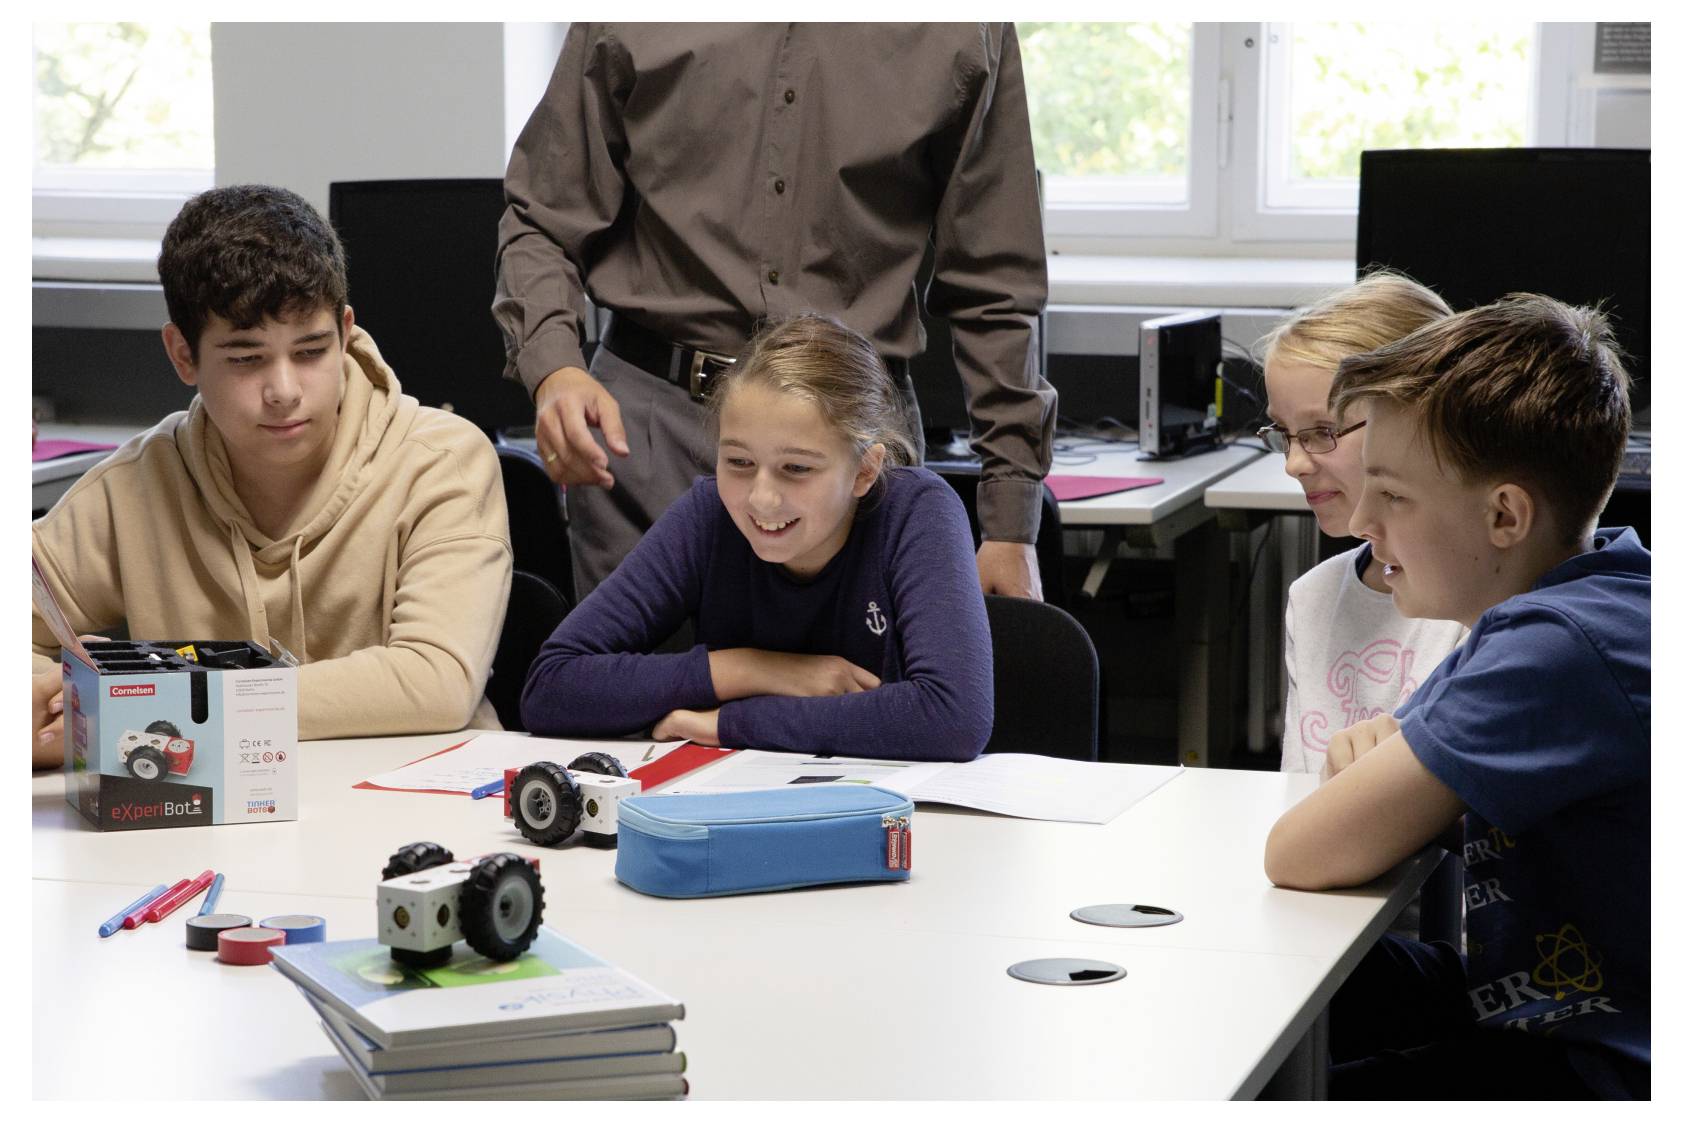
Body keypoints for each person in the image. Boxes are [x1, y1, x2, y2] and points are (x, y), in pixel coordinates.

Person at [495, 23, 1055, 603]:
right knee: (635, 688)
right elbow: (543, 218)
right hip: (648, 439)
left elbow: (995, 281)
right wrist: (556, 368)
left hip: (850, 448)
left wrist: (1011, 518)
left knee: (856, 692)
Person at [1264, 294, 1649, 1099]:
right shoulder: (1584, 590)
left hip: (1600, 1054)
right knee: (1285, 977)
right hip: (1533, 995)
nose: (1366, 519)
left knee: (1273, 1076)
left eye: (1393, 495)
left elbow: (1301, 850)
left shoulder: (1556, 650)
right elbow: (1356, 775)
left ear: (1503, 514)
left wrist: (1384, 783)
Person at [30, 185, 513, 762]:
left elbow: (435, 681)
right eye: (246, 358)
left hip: (417, 814)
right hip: (209, 832)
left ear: (346, 331)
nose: (284, 391)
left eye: (311, 352)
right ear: (182, 354)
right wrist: (51, 698)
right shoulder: (135, 484)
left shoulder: (442, 461)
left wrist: (140, 704)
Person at [520, 314, 993, 762]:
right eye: (739, 463)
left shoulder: (917, 512)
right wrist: (755, 669)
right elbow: (552, 686)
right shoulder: (709, 515)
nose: (761, 499)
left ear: (865, 471)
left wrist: (730, 723)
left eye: (797, 468)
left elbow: (953, 718)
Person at [1255, 272, 1466, 773]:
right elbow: (1298, 794)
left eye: (1323, 432)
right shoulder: (1312, 599)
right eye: (1284, 434)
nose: (1294, 464)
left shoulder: (1480, 603)